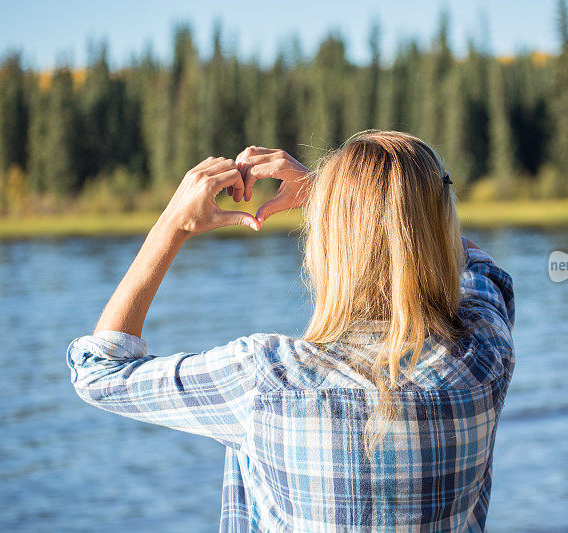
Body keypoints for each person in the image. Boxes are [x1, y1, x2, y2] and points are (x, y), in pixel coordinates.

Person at [67, 130, 515, 532]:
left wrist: (173, 225)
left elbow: (99, 372)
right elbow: (476, 265)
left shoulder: (264, 379)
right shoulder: (482, 356)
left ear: (326, 237)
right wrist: (341, 196)